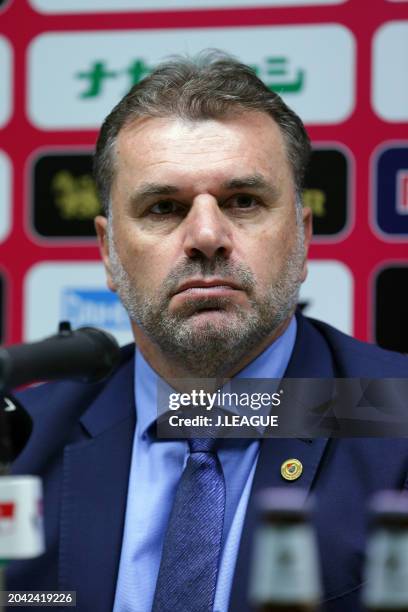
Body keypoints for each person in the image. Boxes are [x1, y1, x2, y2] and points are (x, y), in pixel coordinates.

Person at [7, 51, 408, 612]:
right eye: (164, 207)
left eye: (243, 202)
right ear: (107, 249)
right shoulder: (22, 446)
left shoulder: (394, 415)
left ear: (302, 235)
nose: (206, 235)